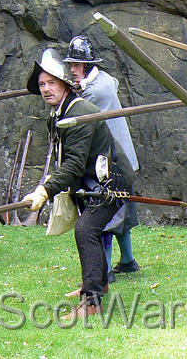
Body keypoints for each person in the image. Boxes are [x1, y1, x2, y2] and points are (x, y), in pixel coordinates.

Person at [22, 48, 135, 319]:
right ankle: (97, 283)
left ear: (64, 84)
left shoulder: (80, 112)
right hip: (91, 180)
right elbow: (68, 159)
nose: (46, 89)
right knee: (88, 228)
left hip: (111, 180)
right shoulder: (59, 113)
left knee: (86, 230)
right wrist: (52, 182)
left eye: (51, 83)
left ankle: (92, 302)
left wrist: (45, 190)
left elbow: (74, 164)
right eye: (42, 84)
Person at [63, 35, 140, 283]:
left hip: (111, 164)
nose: (72, 70)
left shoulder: (92, 95)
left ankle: (105, 270)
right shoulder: (107, 79)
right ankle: (128, 261)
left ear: (85, 66)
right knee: (122, 211)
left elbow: (81, 107)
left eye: (76, 65)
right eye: (71, 65)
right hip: (123, 159)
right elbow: (112, 82)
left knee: (103, 216)